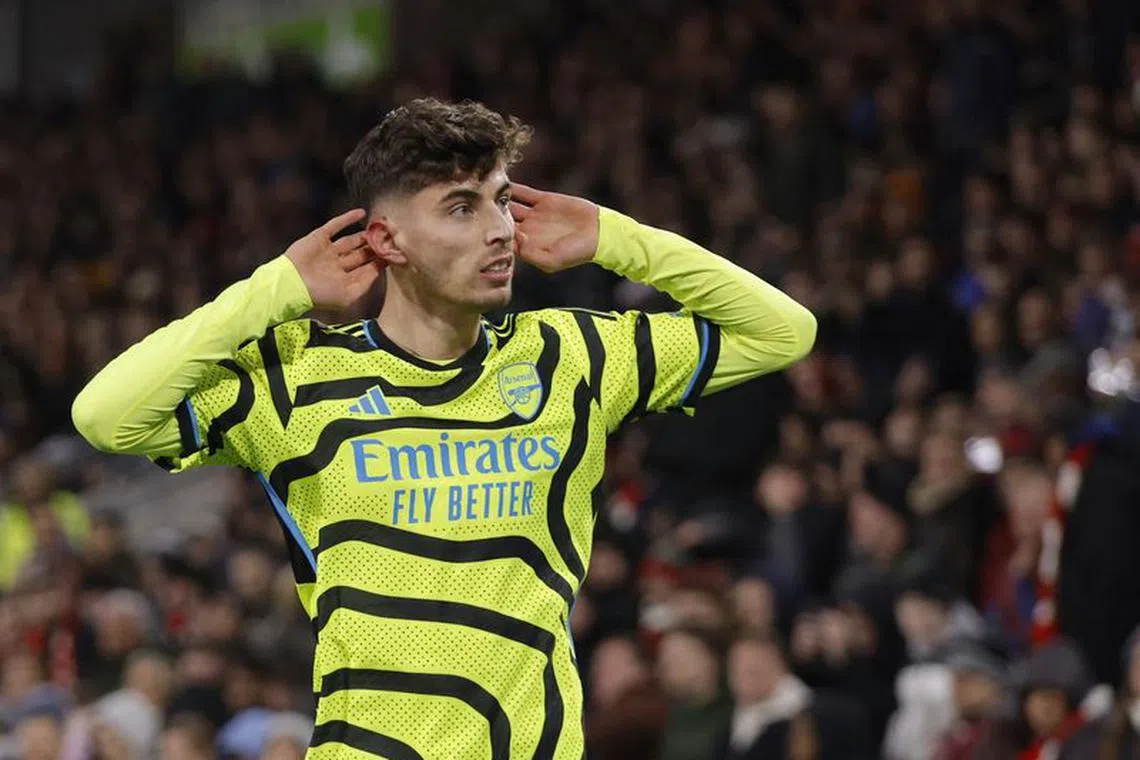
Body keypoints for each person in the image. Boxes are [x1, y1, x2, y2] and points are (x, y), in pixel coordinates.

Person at [70, 97, 816, 758]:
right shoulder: (294, 378)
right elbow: (105, 416)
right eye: (462, 208)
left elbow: (783, 333)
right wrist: (275, 290)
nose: (499, 230)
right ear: (388, 240)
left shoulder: (570, 356)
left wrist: (617, 238)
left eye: (500, 201)